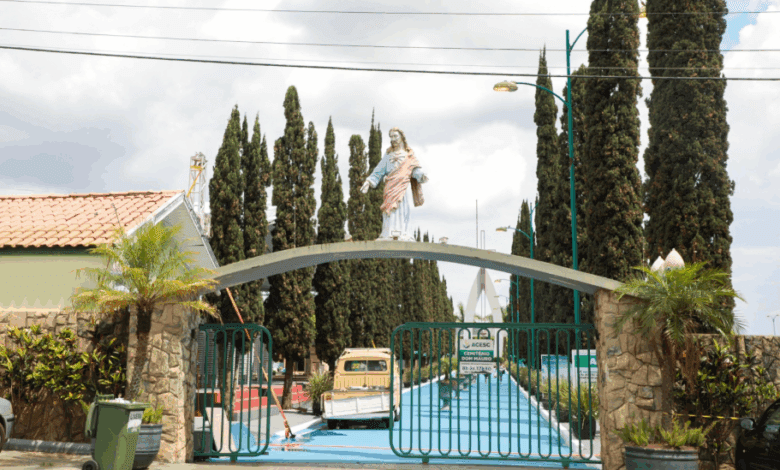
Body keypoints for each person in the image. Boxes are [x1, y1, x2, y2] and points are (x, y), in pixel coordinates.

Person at [361, 127, 428, 241]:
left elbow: (414, 169)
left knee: (402, 210)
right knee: (389, 210)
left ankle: (404, 233)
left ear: (402, 137)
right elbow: (378, 171)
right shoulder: (388, 156)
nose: (393, 139)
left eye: (395, 136)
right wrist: (368, 182)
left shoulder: (409, 156)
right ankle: (388, 233)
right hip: (390, 188)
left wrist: (421, 176)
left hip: (402, 189)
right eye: (391, 137)